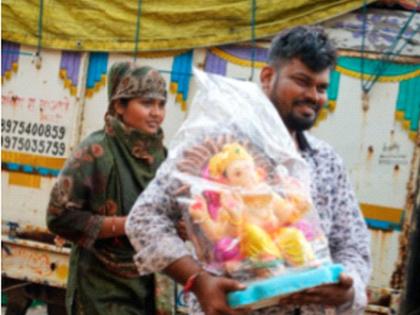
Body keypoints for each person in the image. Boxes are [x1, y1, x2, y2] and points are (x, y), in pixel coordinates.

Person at [126, 26, 371, 315]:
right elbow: (143, 219)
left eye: (321, 87)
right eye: (302, 81)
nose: (313, 96)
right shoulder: (218, 148)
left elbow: (352, 244)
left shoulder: (326, 161)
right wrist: (200, 281)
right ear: (268, 77)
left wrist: (348, 290)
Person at [46, 62, 168, 315]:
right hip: (99, 289)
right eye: (147, 103)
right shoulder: (95, 152)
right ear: (119, 106)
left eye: (161, 104)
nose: (156, 112)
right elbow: (58, 217)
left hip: (146, 284)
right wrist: (126, 225)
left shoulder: (161, 156)